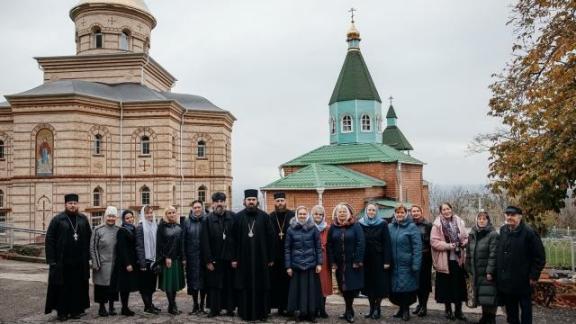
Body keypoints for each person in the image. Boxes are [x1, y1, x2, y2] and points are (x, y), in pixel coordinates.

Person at [45, 193, 92, 321]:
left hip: (79, 262)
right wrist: (51, 260)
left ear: (78, 205)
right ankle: (62, 312)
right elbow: (49, 239)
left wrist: (89, 257)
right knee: (62, 288)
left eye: (75, 203)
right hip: (62, 262)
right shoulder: (58, 219)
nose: (73, 206)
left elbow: (89, 238)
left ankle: (76, 310)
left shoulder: (83, 219)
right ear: (65, 204)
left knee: (77, 287)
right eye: (70, 203)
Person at [496, 206, 546, 324]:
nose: (509, 217)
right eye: (507, 215)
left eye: (513, 215)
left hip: (523, 280)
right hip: (507, 279)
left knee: (526, 310)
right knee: (511, 310)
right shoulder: (503, 230)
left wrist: (534, 276)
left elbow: (539, 257)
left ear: (520, 216)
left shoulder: (529, 233)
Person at [232, 189, 275, 322]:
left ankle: (262, 313)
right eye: (249, 200)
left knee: (261, 285)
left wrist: (271, 258)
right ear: (244, 202)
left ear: (257, 201)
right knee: (244, 285)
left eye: (253, 200)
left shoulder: (265, 217)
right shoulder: (238, 217)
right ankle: (245, 312)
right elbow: (232, 240)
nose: (251, 202)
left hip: (261, 259)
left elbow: (271, 238)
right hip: (242, 259)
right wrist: (233, 258)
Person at [327, 203, 365, 323]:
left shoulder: (355, 226)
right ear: (336, 214)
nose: (342, 213)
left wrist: (358, 260)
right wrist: (332, 261)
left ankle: (349, 311)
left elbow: (361, 242)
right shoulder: (333, 227)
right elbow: (329, 245)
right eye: (339, 212)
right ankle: (349, 310)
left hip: (352, 263)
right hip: (339, 263)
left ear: (348, 213)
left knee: (351, 288)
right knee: (343, 288)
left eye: (344, 211)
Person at [431, 202, 469, 321]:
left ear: (451, 209)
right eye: (444, 210)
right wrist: (449, 246)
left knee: (459, 287)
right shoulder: (437, 225)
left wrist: (464, 243)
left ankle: (459, 311)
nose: (446, 211)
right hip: (445, 261)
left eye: (448, 209)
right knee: (446, 287)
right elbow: (434, 242)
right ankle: (448, 311)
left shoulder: (460, 222)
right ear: (441, 212)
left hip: (458, 260)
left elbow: (466, 237)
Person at [201, 192, 236, 317]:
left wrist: (234, 258)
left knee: (229, 284)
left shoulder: (232, 217)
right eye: (217, 202)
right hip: (214, 259)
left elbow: (236, 239)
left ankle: (230, 308)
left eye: (222, 201)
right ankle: (214, 309)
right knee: (214, 285)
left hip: (229, 258)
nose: (219, 204)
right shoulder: (207, 219)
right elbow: (204, 242)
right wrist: (208, 261)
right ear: (213, 203)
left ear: (225, 203)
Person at [285, 206, 323, 322]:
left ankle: (311, 314)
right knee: (298, 291)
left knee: (311, 291)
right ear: (297, 215)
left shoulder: (313, 228)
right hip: (296, 265)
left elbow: (318, 247)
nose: (302, 216)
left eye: (304, 214)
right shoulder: (291, 229)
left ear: (307, 215)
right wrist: (288, 266)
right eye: (300, 214)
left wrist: (319, 263)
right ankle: (300, 313)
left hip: (310, 265)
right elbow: (287, 249)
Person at [388, 204, 422, 321]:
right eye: (397, 213)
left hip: (407, 264)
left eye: (402, 212)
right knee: (396, 289)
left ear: (406, 214)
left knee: (406, 289)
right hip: (393, 265)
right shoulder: (390, 227)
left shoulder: (412, 227)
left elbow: (417, 247)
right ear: (394, 214)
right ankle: (400, 309)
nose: (399, 215)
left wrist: (416, 263)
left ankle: (406, 310)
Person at [359, 203, 392, 320]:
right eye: (369, 210)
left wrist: (387, 261)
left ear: (376, 211)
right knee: (368, 285)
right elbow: (358, 243)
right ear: (366, 211)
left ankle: (377, 308)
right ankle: (371, 308)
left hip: (379, 259)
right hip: (366, 259)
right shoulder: (360, 223)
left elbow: (387, 243)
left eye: (373, 210)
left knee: (379, 285)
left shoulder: (383, 224)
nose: (371, 212)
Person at [466, 211, 499, 324]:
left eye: (484, 219)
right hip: (476, 270)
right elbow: (469, 252)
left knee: (489, 294)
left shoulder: (492, 234)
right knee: (482, 295)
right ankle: (485, 317)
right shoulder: (473, 233)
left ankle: (491, 318)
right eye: (479, 218)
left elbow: (493, 254)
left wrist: (490, 270)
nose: (481, 220)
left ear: (488, 221)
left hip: (486, 271)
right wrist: (468, 267)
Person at [90, 206, 120, 317]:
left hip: (114, 263)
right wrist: (95, 263)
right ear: (105, 216)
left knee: (113, 286)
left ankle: (112, 307)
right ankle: (102, 307)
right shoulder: (98, 230)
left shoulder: (118, 230)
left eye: (113, 216)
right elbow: (93, 247)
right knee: (101, 287)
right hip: (101, 263)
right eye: (109, 216)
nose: (111, 218)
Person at [269, 192, 295, 316]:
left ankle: (288, 306)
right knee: (277, 282)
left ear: (286, 201)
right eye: (278, 201)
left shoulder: (292, 216)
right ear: (275, 202)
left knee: (288, 282)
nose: (280, 203)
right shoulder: (270, 217)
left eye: (282, 201)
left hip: (289, 256)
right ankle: (279, 307)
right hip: (275, 256)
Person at [157, 206, 185, 315]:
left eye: (173, 212)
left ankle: (172, 305)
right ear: (166, 215)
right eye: (169, 213)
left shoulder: (179, 227)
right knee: (169, 284)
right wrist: (166, 257)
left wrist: (183, 258)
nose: (172, 214)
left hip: (177, 259)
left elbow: (181, 244)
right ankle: (172, 306)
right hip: (167, 260)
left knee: (174, 284)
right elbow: (160, 244)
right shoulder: (162, 227)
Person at [182, 200, 207, 315]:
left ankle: (202, 305)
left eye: (199, 207)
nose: (197, 209)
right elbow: (183, 241)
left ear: (202, 208)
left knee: (204, 282)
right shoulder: (187, 222)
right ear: (192, 209)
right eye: (195, 207)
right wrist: (184, 257)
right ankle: (195, 304)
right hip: (191, 257)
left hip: (204, 257)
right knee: (193, 282)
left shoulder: (207, 220)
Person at [135, 204, 160, 314]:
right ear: (143, 214)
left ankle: (149, 305)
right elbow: (139, 246)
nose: (149, 215)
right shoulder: (140, 227)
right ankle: (148, 306)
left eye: (151, 212)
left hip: (153, 261)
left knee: (151, 285)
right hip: (144, 261)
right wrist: (142, 264)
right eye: (147, 213)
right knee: (145, 286)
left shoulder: (154, 225)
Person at [114, 209, 139, 316]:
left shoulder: (133, 229)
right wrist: (127, 263)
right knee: (124, 287)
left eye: (131, 217)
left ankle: (126, 307)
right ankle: (124, 308)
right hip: (125, 263)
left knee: (128, 286)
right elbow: (122, 248)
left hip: (133, 261)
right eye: (127, 218)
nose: (129, 220)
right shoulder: (122, 231)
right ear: (124, 220)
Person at [411, 205, 432, 317]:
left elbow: (431, 242)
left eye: (417, 211)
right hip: (414, 257)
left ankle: (424, 306)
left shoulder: (428, 225)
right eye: (413, 211)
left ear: (421, 212)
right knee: (417, 282)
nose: (415, 213)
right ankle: (419, 304)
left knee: (425, 283)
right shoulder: (409, 225)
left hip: (425, 257)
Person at [311, 205, 331, 319]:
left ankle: (322, 309)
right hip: (312, 258)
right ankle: (314, 308)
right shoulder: (308, 227)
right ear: (312, 215)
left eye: (320, 214)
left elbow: (331, 243)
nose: (318, 216)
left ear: (323, 216)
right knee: (314, 284)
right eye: (316, 214)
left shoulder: (328, 228)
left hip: (324, 258)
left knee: (324, 284)